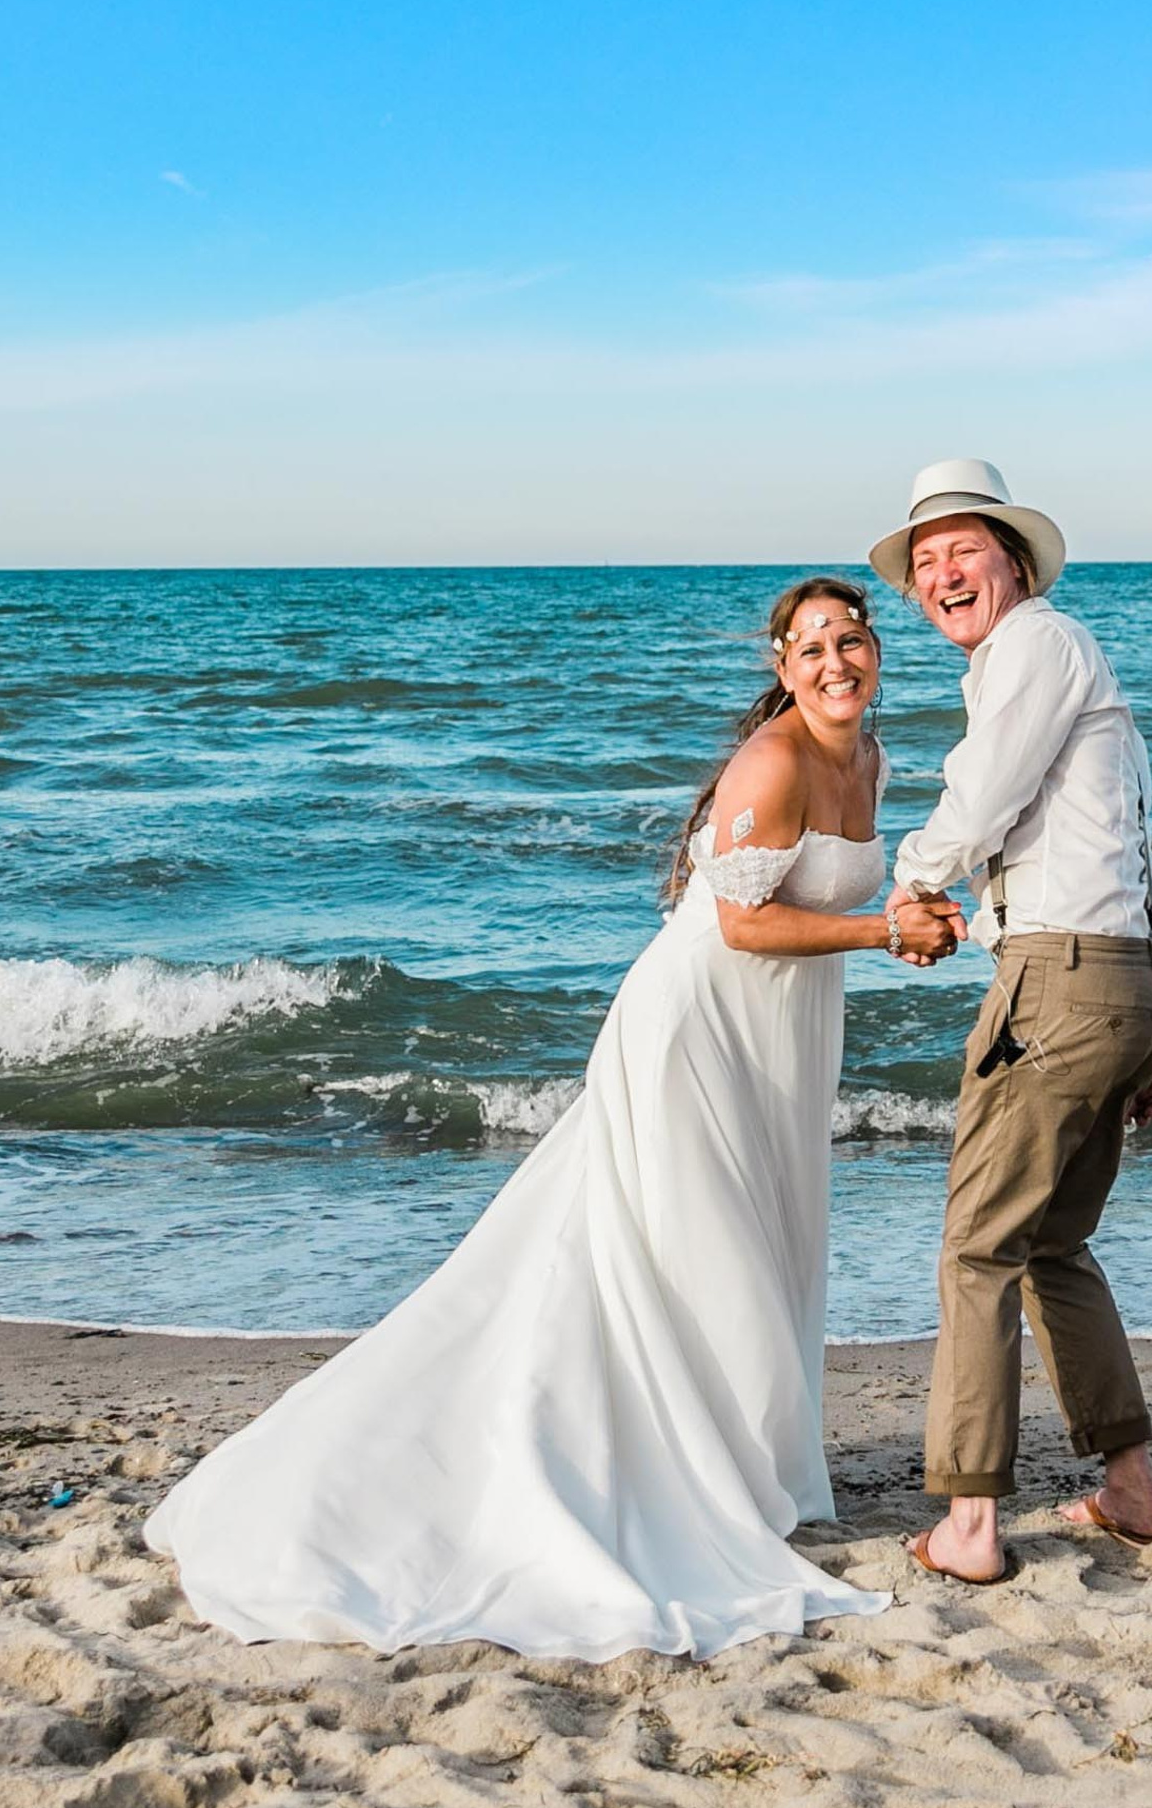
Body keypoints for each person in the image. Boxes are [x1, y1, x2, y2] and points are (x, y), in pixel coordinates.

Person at [145, 577, 961, 1662]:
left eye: (848, 641)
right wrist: (879, 935)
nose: (833, 663)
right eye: (809, 648)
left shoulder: (870, 758)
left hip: (786, 1030)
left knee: (763, 1233)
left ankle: (740, 1461)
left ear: (874, 651)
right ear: (781, 669)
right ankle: (666, 1472)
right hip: (699, 1025)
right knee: (682, 1244)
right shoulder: (771, 762)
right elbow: (739, 925)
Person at [870, 460, 1152, 1584]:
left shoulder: (1035, 647)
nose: (943, 572)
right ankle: (1132, 1491)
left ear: (1013, 560)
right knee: (1054, 1242)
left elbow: (983, 791)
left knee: (980, 1245)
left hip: (1062, 979)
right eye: (926, 561)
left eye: (965, 549)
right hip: (1125, 974)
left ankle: (967, 1523)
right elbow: (1128, 843)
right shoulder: (1054, 655)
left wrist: (910, 882)